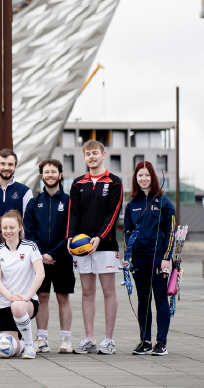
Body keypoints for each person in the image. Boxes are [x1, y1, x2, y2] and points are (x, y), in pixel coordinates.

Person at [67, 139, 123, 355]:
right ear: (84, 157)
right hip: (82, 247)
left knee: (109, 292)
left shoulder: (115, 182)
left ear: (103, 155)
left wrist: (99, 237)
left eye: (95, 153)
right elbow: (73, 214)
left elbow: (113, 213)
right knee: (87, 292)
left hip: (106, 246)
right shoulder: (78, 183)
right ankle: (89, 338)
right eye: (88, 154)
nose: (91, 157)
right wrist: (71, 239)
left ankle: (108, 340)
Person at [123, 161, 176, 356]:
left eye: (146, 175)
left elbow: (171, 232)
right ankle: (145, 341)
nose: (143, 178)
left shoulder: (164, 202)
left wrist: (166, 257)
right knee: (143, 299)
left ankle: (161, 342)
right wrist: (128, 255)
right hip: (138, 259)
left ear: (153, 177)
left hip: (158, 259)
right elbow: (128, 233)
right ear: (135, 179)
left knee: (160, 299)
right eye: (139, 175)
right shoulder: (131, 205)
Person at [23, 159, 74, 353]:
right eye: (46, 172)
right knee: (42, 296)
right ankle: (41, 339)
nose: (50, 175)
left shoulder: (69, 201)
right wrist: (42, 255)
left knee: (63, 297)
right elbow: (30, 233)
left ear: (60, 175)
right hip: (39, 260)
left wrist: (54, 254)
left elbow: (71, 231)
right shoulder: (34, 203)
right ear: (42, 175)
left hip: (62, 258)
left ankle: (65, 340)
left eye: (54, 171)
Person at [0, 210, 45, 359]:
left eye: (12, 227)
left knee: (18, 306)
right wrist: (9, 296)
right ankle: (21, 342)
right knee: (10, 351)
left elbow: (40, 274)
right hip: (4, 303)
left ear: (20, 227)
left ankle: (29, 345)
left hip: (26, 303)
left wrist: (27, 296)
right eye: (5, 228)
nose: (8, 231)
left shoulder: (30, 247)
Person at [0, 149, 32, 246]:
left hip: (17, 248)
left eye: (10, 164)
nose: (6, 167)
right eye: (3, 164)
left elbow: (27, 222)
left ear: (15, 166)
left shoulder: (25, 191)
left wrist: (21, 246)